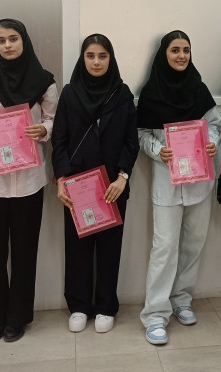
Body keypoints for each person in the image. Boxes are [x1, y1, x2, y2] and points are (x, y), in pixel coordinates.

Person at [0, 19, 57, 342]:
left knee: (25, 252)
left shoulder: (43, 81)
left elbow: (54, 118)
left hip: (29, 181)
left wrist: (44, 130)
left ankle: (17, 318)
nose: (7, 45)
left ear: (24, 41)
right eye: (1, 40)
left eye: (13, 39)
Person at [136, 30, 221, 345]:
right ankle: (155, 315)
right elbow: (142, 134)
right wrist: (159, 151)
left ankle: (181, 300)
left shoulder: (199, 89)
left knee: (193, 245)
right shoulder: (151, 92)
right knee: (164, 247)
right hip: (167, 183)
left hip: (200, 181)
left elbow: (214, 125)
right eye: (175, 50)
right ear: (165, 54)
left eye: (186, 50)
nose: (182, 55)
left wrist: (212, 143)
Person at [52, 34, 139, 334]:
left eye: (102, 56)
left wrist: (123, 177)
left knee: (110, 247)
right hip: (77, 185)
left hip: (113, 185)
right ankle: (78, 306)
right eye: (90, 56)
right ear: (83, 58)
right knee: (77, 247)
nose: (96, 62)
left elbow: (131, 141)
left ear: (110, 59)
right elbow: (59, 140)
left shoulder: (122, 94)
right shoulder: (70, 93)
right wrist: (61, 179)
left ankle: (105, 306)